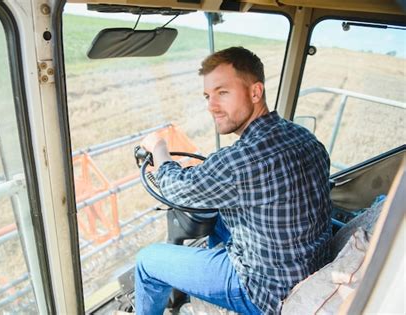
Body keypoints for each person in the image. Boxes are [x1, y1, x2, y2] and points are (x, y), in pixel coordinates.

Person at [135, 46, 332, 315]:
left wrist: (158, 148)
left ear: (255, 92)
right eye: (207, 96)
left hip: (266, 292)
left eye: (222, 93)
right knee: (218, 221)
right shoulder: (305, 137)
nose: (211, 107)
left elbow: (174, 189)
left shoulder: (240, 161)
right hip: (309, 263)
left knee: (147, 262)